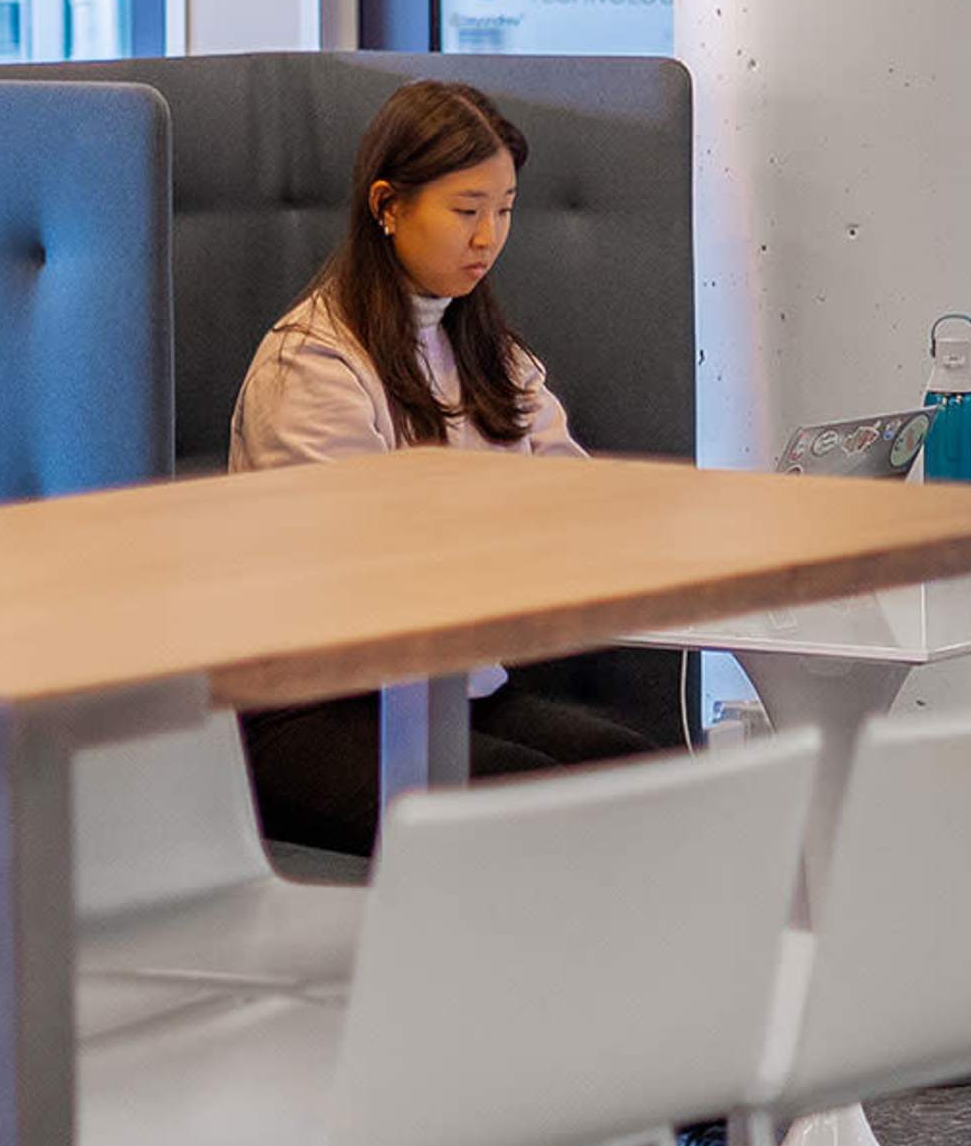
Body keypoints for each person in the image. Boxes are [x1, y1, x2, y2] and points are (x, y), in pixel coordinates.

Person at [227, 78, 671, 855]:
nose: (488, 237)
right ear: (388, 205)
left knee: (643, 777)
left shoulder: (487, 349)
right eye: (466, 210)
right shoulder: (312, 362)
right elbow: (359, 572)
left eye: (504, 210)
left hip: (459, 692)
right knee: (533, 806)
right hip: (320, 714)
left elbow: (579, 504)